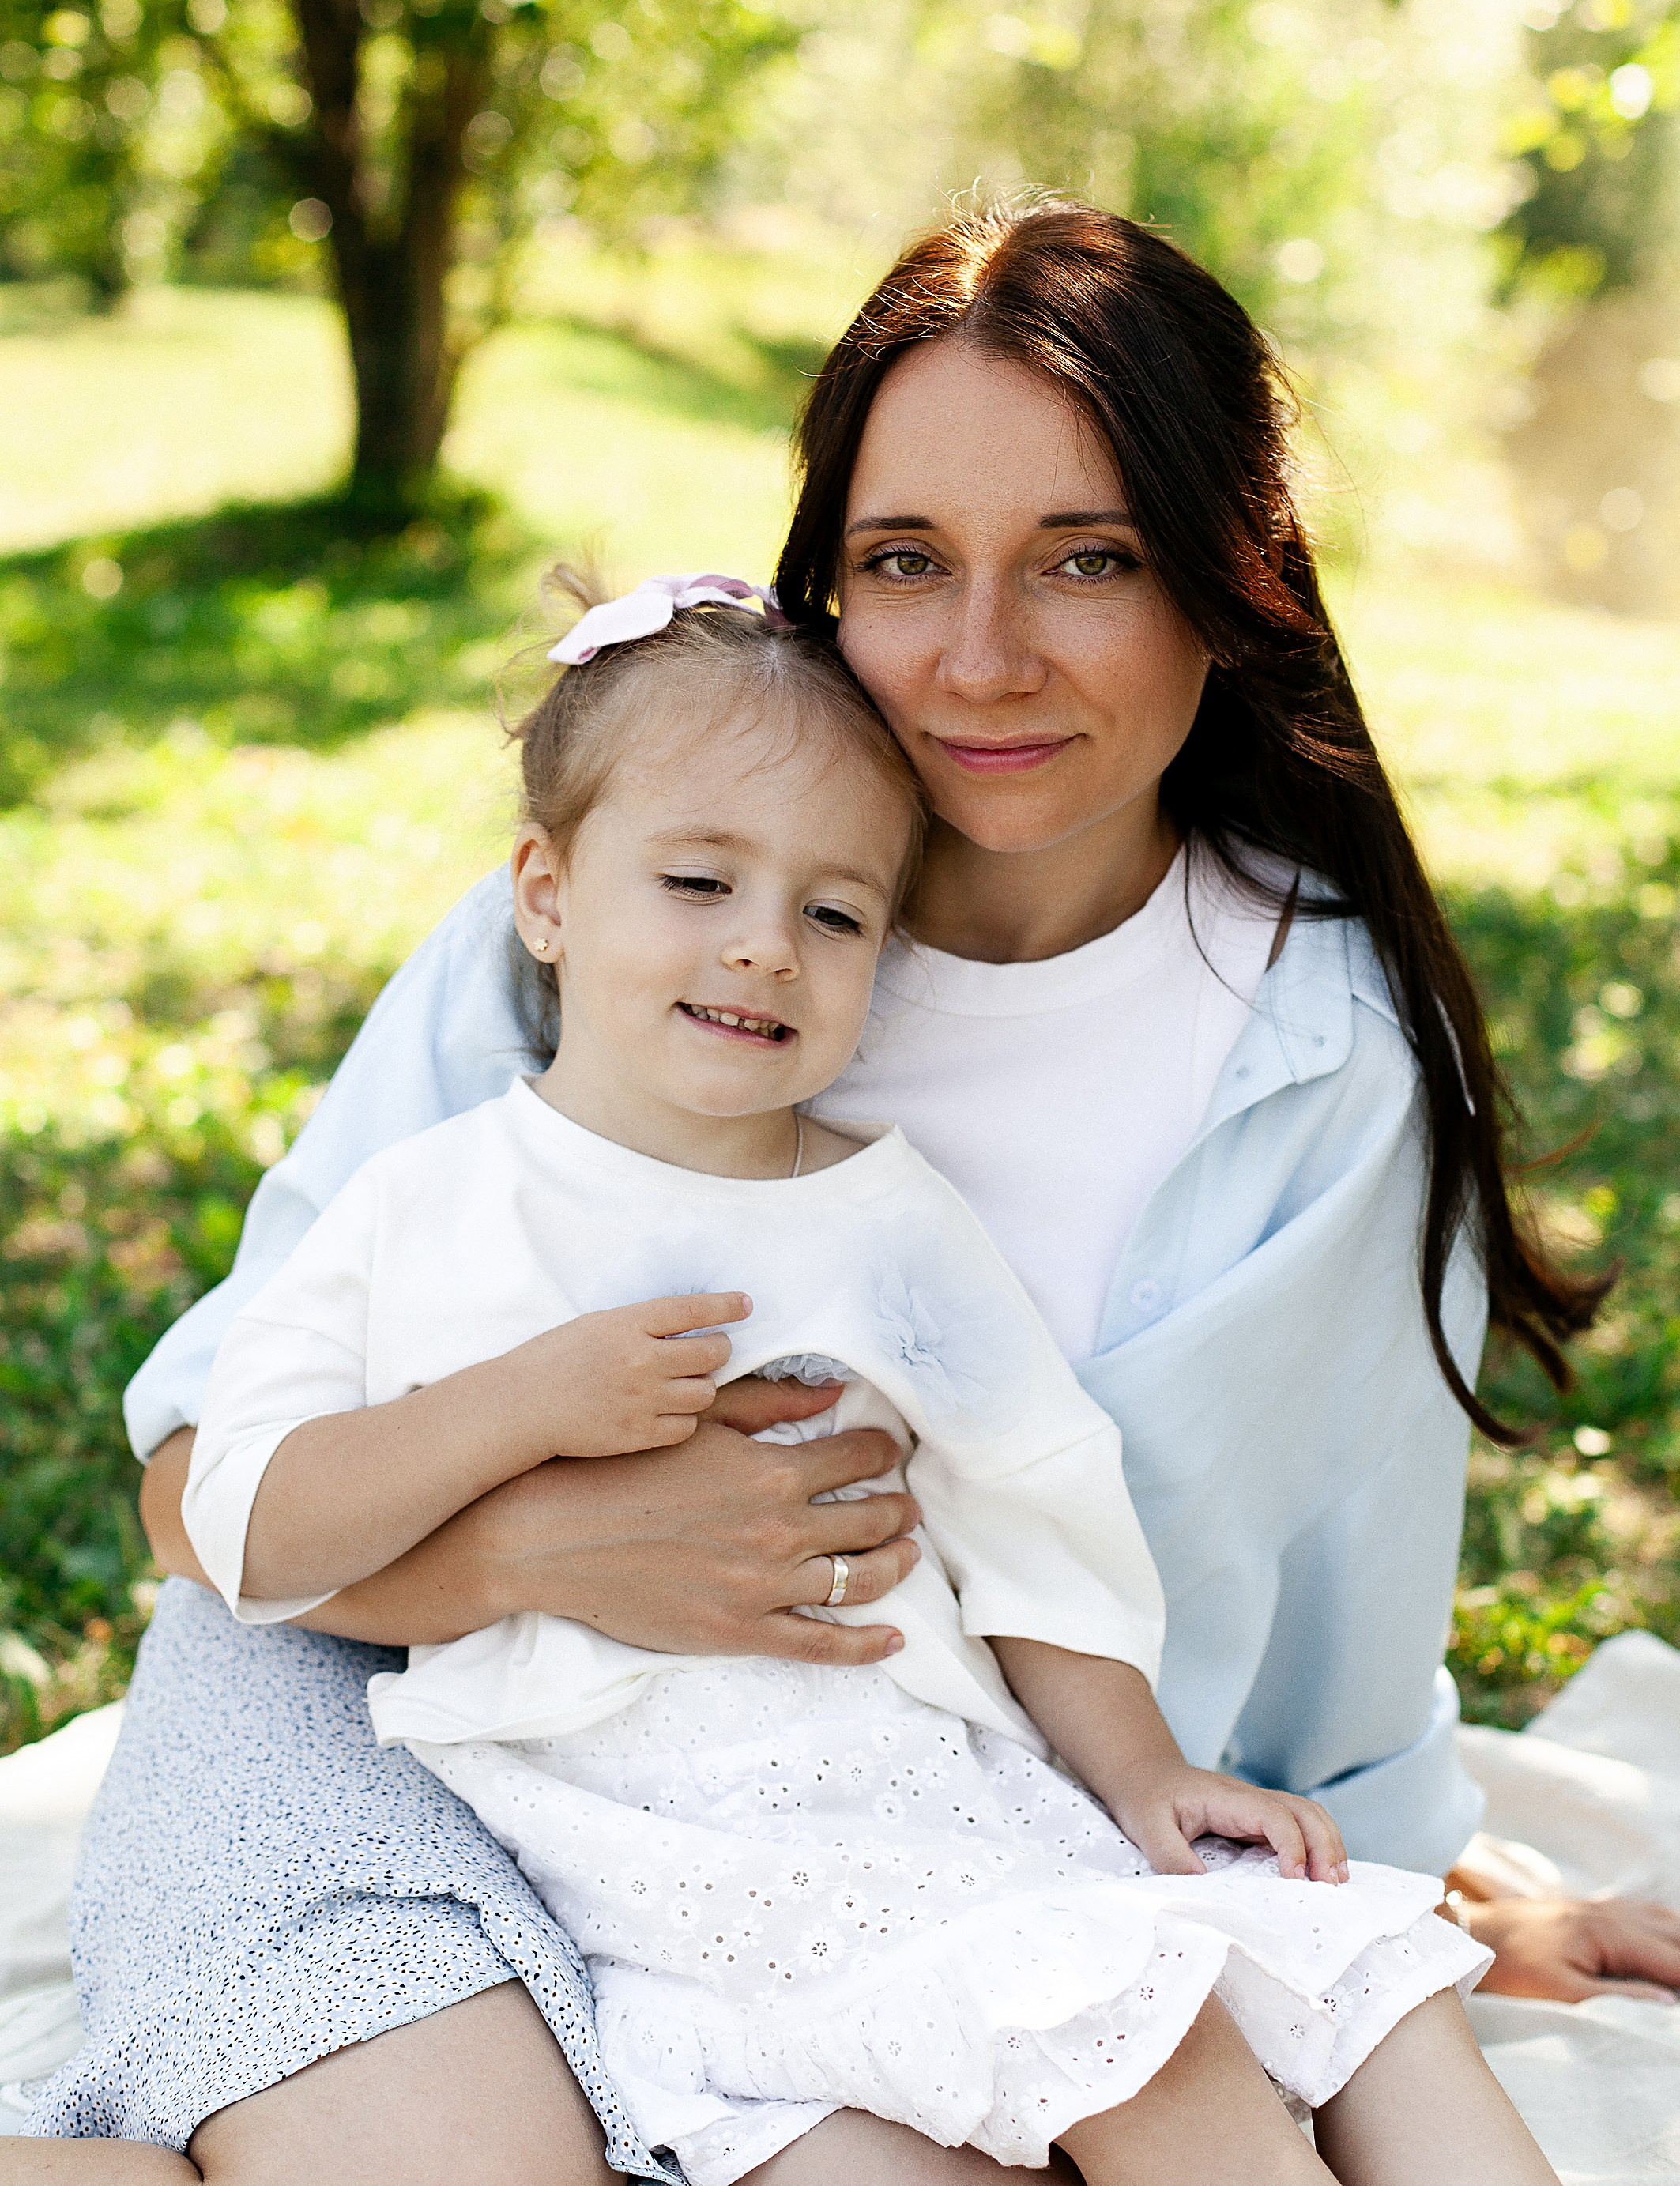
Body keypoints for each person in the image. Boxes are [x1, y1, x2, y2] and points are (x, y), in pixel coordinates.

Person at [21, 201, 1678, 2184]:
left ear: (1227, 591)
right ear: (827, 588)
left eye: (1088, 559)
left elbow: (1326, 1612)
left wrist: (1424, 1899)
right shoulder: (614, 925)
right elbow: (204, 1474)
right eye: (907, 562)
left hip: (877, 1828)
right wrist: (547, 1544)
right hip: (373, 1717)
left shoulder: (1316, 1050)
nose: (982, 655)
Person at [176, 575, 1536, 2186]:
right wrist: (511, 1409)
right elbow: (240, 1518)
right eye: (696, 880)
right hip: (667, 1847)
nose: (763, 944)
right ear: (543, 890)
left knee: (1340, 1991)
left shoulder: (886, 1215)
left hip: (934, 1790)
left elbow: (1033, 1513)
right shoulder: (429, 1203)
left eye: (834, 915)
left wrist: (1146, 1772)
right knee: (1085, 2065)